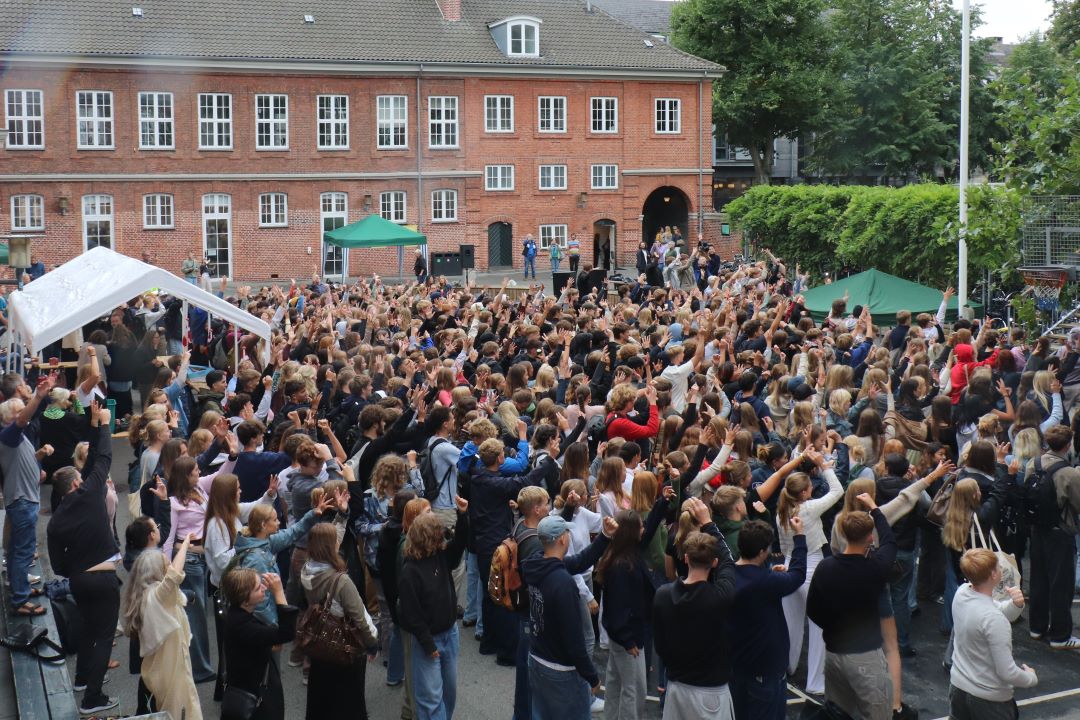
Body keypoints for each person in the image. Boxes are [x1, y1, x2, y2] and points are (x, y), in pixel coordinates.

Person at [46, 400, 119, 714]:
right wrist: (103, 424)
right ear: (76, 484)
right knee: (104, 636)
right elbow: (103, 457)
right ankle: (93, 698)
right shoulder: (90, 494)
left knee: (90, 629)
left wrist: (92, 423)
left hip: (77, 579)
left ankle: (81, 679)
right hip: (102, 578)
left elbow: (58, 564)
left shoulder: (55, 520)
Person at [806, 495, 897, 720]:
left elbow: (813, 610)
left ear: (843, 534)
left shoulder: (825, 568)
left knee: (837, 714)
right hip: (866, 656)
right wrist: (875, 509)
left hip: (834, 653)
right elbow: (889, 541)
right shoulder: (876, 568)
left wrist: (835, 628)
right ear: (869, 538)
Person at [521, 512, 617, 720]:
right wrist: (592, 677)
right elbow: (574, 640)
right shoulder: (563, 583)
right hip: (561, 671)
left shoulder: (536, 564)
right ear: (563, 539)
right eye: (567, 532)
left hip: (537, 658)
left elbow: (581, 561)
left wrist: (605, 536)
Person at [652, 497, 737, 720]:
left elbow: (659, 645)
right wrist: (709, 523)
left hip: (677, 687)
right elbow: (728, 558)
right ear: (714, 562)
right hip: (710, 692)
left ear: (686, 558)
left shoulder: (663, 595)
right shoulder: (720, 596)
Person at [397, 497, 470, 720]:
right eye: (439, 533)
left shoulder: (440, 556)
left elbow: (459, 545)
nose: (443, 536)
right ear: (428, 538)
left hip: (450, 633)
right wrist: (428, 644)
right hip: (428, 641)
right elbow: (411, 613)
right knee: (429, 701)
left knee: (449, 693)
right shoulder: (410, 571)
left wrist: (463, 515)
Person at [300, 522, 380, 720]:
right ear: (330, 546)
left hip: (320, 643)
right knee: (349, 703)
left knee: (323, 701)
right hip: (345, 648)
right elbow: (359, 618)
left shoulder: (306, 570)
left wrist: (341, 516)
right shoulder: (340, 581)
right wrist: (372, 644)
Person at [729, 517, 807, 720]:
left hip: (737, 666)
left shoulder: (727, 575)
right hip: (765, 671)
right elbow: (798, 575)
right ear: (763, 551)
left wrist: (769, 573)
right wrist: (799, 537)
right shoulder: (766, 582)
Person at [121, 532, 202, 720]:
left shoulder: (146, 595)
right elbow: (174, 575)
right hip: (169, 673)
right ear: (156, 571)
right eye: (166, 564)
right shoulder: (155, 597)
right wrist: (185, 544)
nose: (169, 567)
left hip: (165, 669)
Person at [949, 548, 1038, 719]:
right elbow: (1007, 672)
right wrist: (1030, 678)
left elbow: (994, 610)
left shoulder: (962, 593)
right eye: (998, 567)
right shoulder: (994, 619)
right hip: (990, 701)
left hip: (958, 688)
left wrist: (1015, 604)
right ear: (993, 575)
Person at [1025, 424, 1080, 648]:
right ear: (1067, 446)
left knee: (1038, 579)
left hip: (1037, 529)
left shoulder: (1033, 464)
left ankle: (1036, 627)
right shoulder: (1068, 473)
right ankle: (1060, 635)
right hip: (1060, 531)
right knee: (1061, 584)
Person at [221, 568, 297, 720]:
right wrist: (279, 592)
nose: (264, 587)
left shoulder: (237, 613)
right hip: (254, 694)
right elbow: (287, 633)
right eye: (258, 588)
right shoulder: (243, 625)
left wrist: (266, 643)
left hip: (246, 683)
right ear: (245, 599)